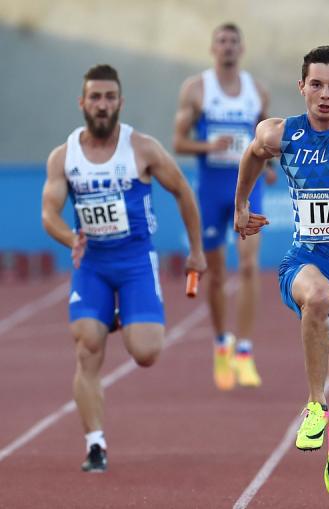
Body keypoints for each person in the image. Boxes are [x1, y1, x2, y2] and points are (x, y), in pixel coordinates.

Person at [234, 46, 329, 496]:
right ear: (301, 86)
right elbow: (252, 153)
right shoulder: (281, 132)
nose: (324, 94)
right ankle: (314, 408)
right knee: (316, 298)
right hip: (305, 261)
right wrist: (241, 205)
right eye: (316, 84)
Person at [41, 64, 206, 473]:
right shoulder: (65, 157)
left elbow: (183, 191)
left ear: (120, 102)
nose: (102, 104)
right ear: (82, 102)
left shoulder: (142, 148)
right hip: (92, 264)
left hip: (135, 261)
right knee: (87, 347)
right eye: (94, 97)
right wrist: (70, 238)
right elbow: (49, 213)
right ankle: (95, 443)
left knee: (147, 353)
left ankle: (116, 318)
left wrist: (196, 251)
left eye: (109, 97)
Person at [173, 22, 276, 391]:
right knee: (215, 275)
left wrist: (271, 169)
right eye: (222, 41)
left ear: (241, 48)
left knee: (249, 266)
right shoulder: (197, 90)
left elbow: (266, 139)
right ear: (213, 48)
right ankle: (221, 343)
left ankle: (244, 351)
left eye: (234, 41)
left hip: (247, 190)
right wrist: (209, 146)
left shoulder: (256, 92)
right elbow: (178, 142)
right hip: (212, 192)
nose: (228, 47)